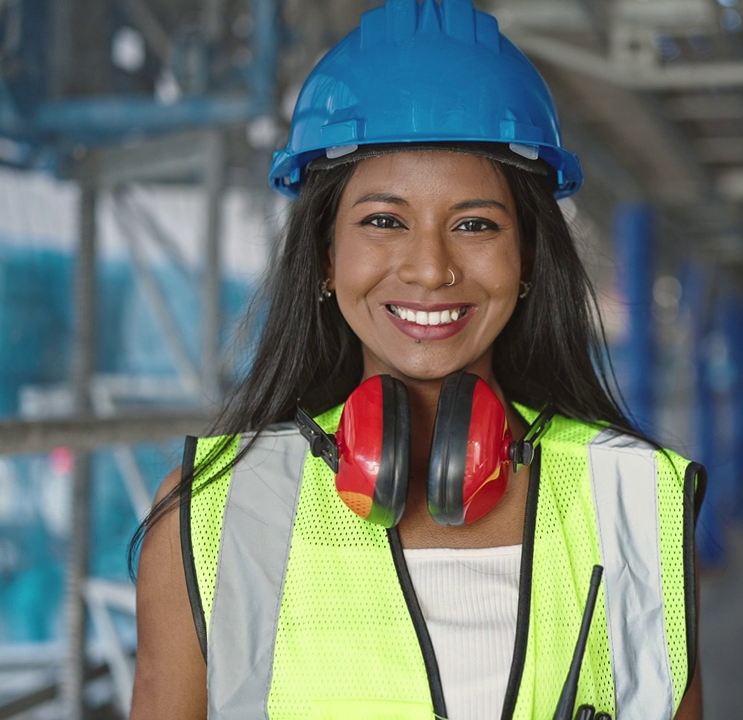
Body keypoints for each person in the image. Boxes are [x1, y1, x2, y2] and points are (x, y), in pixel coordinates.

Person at [130, 1, 704, 718]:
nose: (430, 269)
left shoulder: (632, 497)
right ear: (325, 258)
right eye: (382, 221)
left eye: (474, 224)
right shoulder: (212, 511)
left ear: (526, 258)